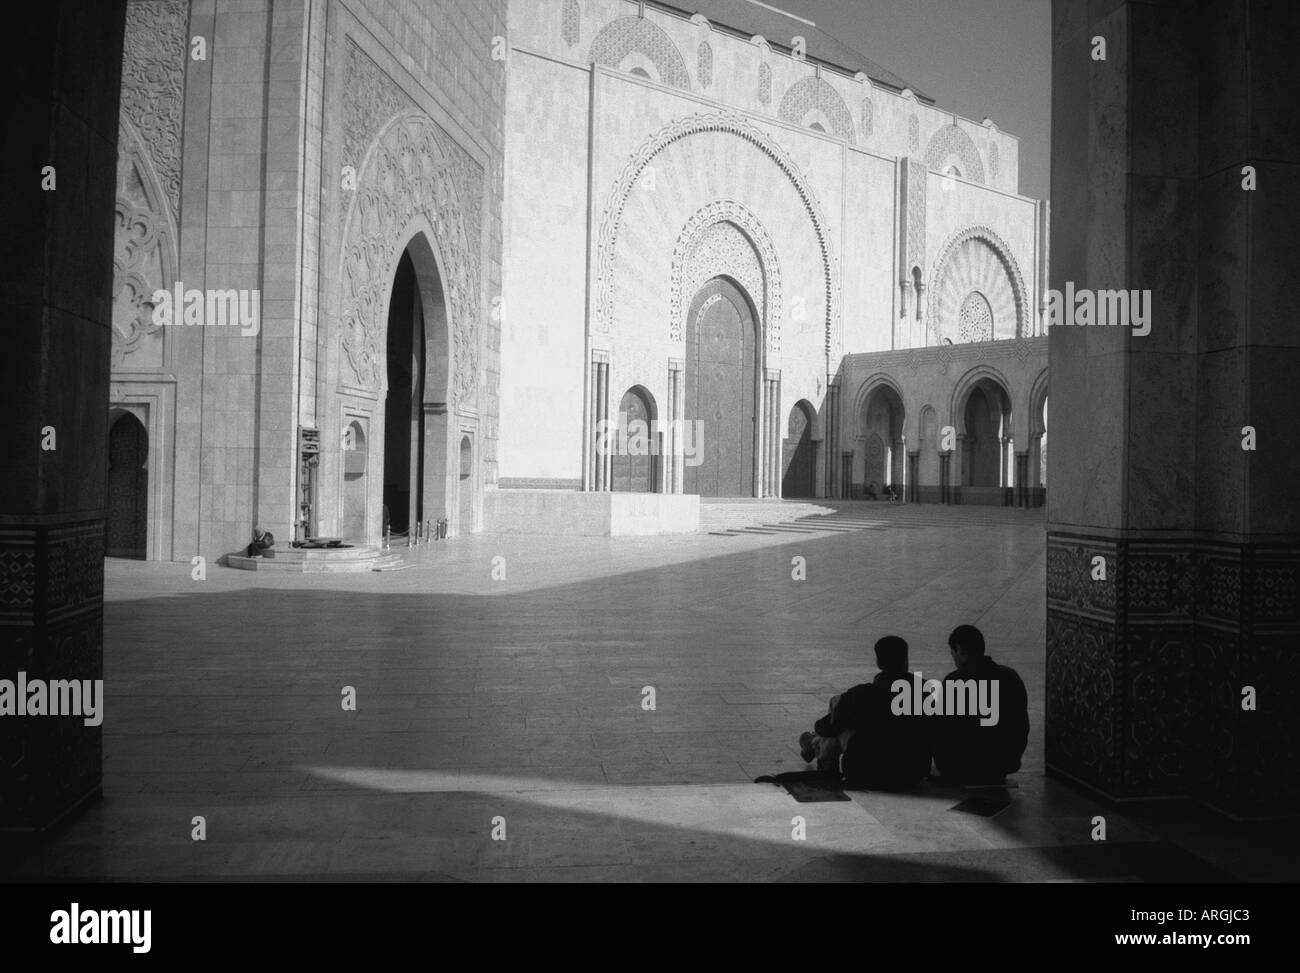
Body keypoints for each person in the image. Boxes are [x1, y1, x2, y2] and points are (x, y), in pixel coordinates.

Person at [798, 635, 932, 790]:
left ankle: (815, 746)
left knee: (839, 710)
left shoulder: (862, 693)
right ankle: (814, 743)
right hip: (911, 775)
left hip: (864, 773)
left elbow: (828, 727)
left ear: (878, 662)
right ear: (905, 660)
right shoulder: (926, 691)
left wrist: (819, 728)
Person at [932, 624, 1029, 785]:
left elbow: (941, 730)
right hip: (1003, 764)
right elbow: (1021, 725)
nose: (954, 659)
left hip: (962, 767)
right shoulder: (1010, 676)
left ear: (959, 650)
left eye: (953, 653)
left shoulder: (956, 680)